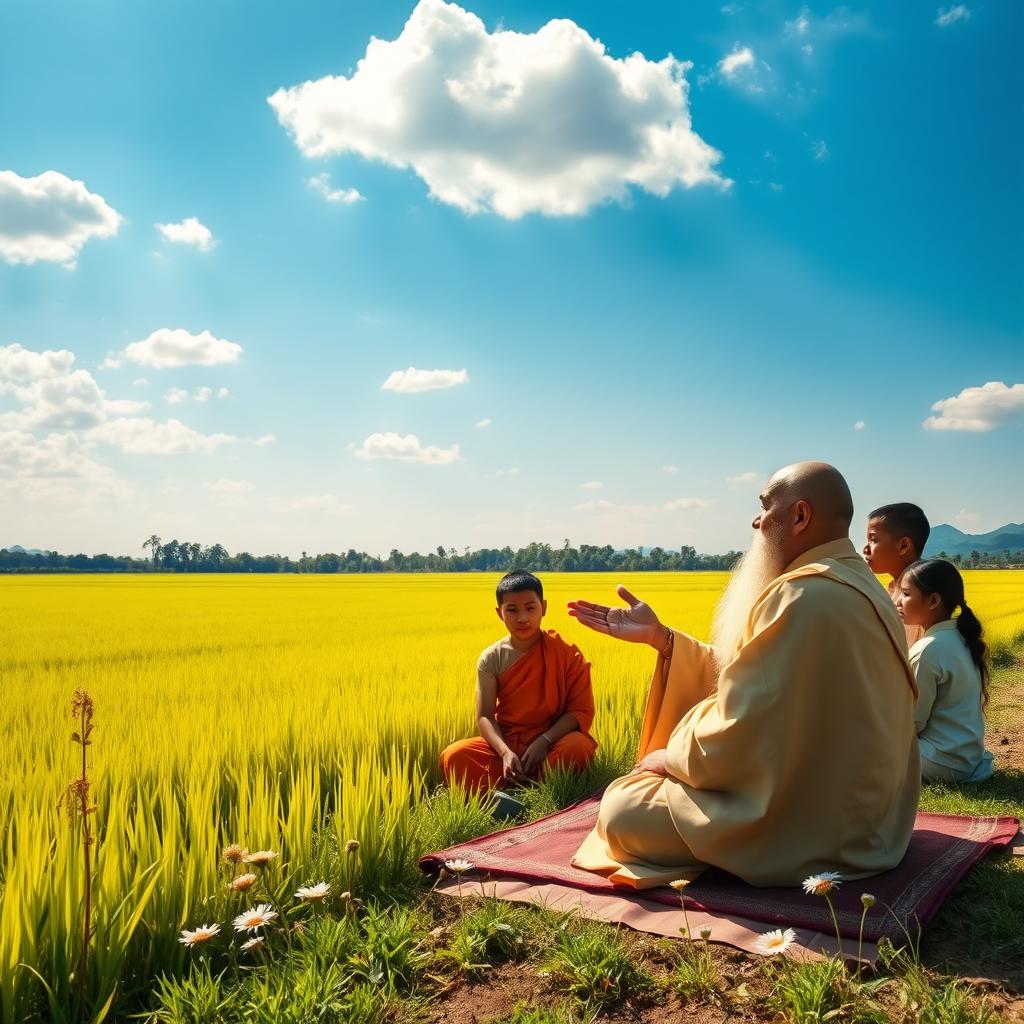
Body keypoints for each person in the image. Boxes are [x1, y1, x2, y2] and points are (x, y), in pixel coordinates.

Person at [568, 462, 920, 889]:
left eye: (766, 506)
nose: (757, 521)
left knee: (623, 806)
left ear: (800, 516)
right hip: (874, 822)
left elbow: (740, 725)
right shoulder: (862, 585)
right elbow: (768, 681)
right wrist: (663, 639)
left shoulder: (800, 595)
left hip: (817, 830)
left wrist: (673, 757)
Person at [440, 571, 597, 793]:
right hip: (509, 741)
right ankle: (524, 782)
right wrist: (505, 752)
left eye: (530, 608)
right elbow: (484, 715)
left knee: (578, 747)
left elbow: (578, 710)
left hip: (554, 740)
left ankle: (525, 790)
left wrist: (544, 740)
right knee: (454, 756)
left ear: (543, 607)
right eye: (512, 610)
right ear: (499, 613)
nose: (522, 618)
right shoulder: (491, 658)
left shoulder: (566, 653)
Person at [896, 559, 994, 783]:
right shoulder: (959, 638)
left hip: (938, 761)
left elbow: (912, 722)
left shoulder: (928, 649)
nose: (898, 602)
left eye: (906, 594)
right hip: (966, 758)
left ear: (933, 600)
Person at [863, 502, 931, 646]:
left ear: (904, 545)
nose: (865, 549)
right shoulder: (894, 588)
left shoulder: (915, 598)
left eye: (873, 540)